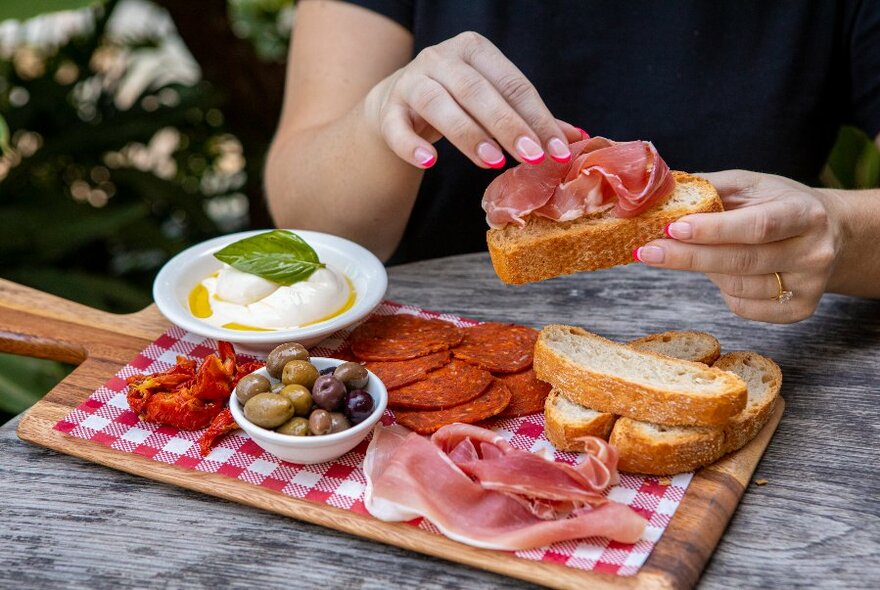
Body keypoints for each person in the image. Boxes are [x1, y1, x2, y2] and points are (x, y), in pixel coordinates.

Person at [265, 1, 880, 324]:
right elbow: (307, 220)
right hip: (434, 347)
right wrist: (380, 120)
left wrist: (844, 230)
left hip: (764, 354)